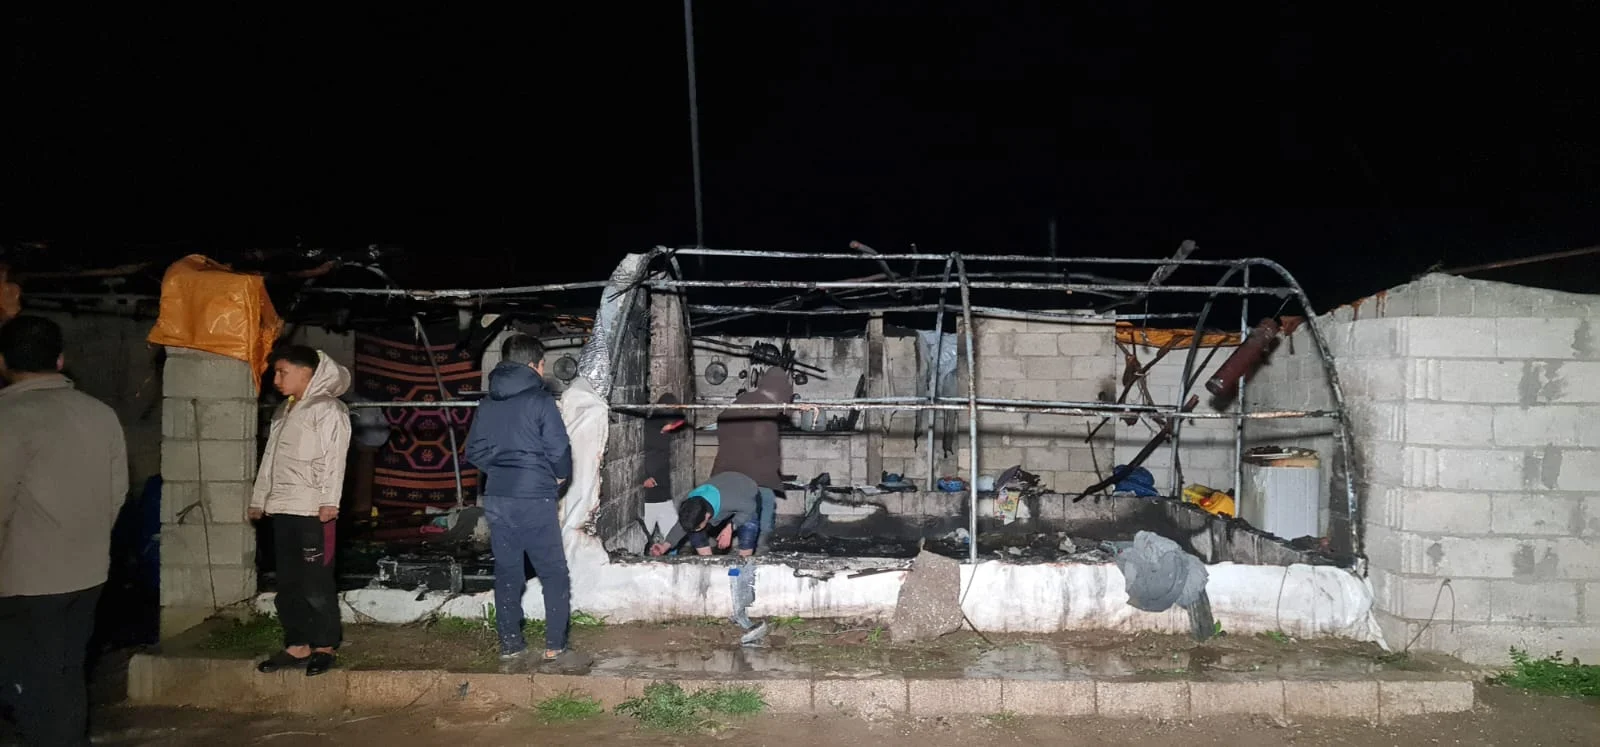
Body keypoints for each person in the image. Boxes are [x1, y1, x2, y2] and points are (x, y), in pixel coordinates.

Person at [0, 316, 128, 746]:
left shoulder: (9, 417)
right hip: (86, 574)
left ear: (3, 362)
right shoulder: (101, 414)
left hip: (23, 581)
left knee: (29, 689)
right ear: (60, 359)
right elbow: (116, 493)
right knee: (66, 676)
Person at [464, 334, 588, 672]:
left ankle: (510, 645)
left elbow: (472, 451)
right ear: (536, 364)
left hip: (498, 497)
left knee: (507, 572)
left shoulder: (487, 403)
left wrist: (501, 471)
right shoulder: (539, 400)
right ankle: (554, 647)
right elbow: (560, 449)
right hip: (534, 496)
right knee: (553, 572)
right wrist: (557, 477)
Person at [249, 345, 352, 677]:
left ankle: (324, 645)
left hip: (312, 510)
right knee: (289, 582)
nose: (276, 379)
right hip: (283, 508)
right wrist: (259, 498)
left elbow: (335, 459)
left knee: (316, 582)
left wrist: (329, 502)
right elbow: (269, 459)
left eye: (283, 372)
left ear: (308, 372)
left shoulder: (329, 410)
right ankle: (297, 644)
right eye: (276, 373)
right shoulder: (284, 410)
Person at [711, 367, 805, 554]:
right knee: (765, 502)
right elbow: (763, 441)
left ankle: (731, 541)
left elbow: (721, 419)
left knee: (735, 504)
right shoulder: (766, 407)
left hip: (728, 467)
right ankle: (758, 547)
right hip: (752, 471)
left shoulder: (745, 398)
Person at [648, 472, 764, 558]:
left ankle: (744, 562)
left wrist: (730, 527)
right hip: (721, 489)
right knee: (694, 529)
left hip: (746, 492)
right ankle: (707, 562)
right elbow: (682, 525)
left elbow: (750, 507)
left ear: (707, 516)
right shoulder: (689, 503)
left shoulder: (730, 501)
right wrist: (664, 546)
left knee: (749, 524)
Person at [641, 392, 688, 542]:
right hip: (648, 497)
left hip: (663, 493)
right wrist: (643, 478)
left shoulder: (662, 433)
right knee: (644, 539)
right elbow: (639, 457)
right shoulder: (647, 431)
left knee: (673, 537)